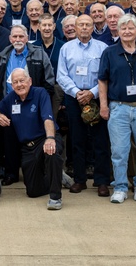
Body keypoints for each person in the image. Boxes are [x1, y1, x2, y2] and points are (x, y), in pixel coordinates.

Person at [98, 14, 136, 204]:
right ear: (118, 31)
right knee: (119, 151)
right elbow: (102, 80)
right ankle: (121, 186)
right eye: (123, 28)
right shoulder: (109, 52)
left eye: (131, 28)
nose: (127, 31)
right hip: (118, 108)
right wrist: (104, 106)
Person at [0, 25, 55, 186]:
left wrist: (40, 103)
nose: (18, 40)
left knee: (35, 138)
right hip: (10, 104)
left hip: (32, 105)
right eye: (15, 37)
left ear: (26, 38)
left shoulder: (38, 53)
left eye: (21, 36)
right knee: (9, 140)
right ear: (10, 39)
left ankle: (36, 170)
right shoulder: (3, 55)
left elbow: (49, 80)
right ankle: (11, 173)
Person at [0, 68, 64, 210]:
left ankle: (55, 197)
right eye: (15, 82)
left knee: (51, 152)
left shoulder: (40, 93)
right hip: (27, 147)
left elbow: (47, 118)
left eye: (22, 81)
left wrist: (50, 138)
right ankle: (55, 176)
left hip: (44, 137)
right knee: (33, 192)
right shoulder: (11, 98)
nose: (19, 85)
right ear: (12, 85)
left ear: (29, 81)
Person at [56, 14, 110, 196]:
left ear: (93, 27)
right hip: (74, 98)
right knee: (76, 140)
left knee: (100, 141)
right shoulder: (66, 48)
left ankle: (102, 181)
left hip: (96, 96)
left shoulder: (103, 48)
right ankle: (79, 180)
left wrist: (91, 93)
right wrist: (76, 92)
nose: (85, 28)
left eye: (88, 25)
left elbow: (106, 74)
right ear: (76, 28)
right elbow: (61, 75)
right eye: (81, 25)